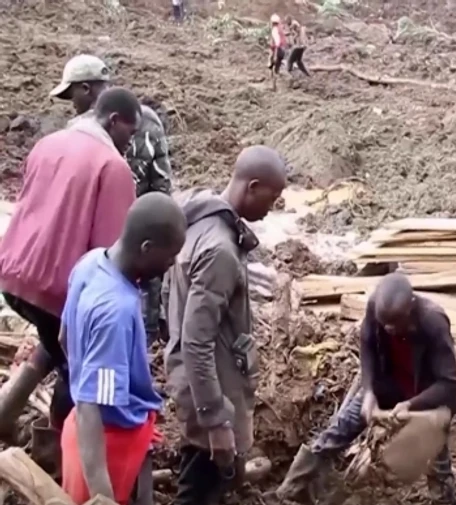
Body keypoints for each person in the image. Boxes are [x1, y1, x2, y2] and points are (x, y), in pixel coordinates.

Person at [0, 87, 141, 460]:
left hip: (14, 274)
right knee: (78, 369)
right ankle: (56, 454)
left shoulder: (50, 142)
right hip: (55, 288)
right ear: (114, 121)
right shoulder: (113, 167)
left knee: (54, 341)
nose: (131, 141)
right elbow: (110, 255)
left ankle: (5, 410)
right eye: (131, 131)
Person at [164, 145, 286, 505]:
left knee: (210, 486)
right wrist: (216, 422)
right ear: (252, 186)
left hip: (204, 387)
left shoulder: (202, 220)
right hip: (212, 392)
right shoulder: (219, 249)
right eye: (273, 196)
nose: (273, 206)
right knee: (200, 491)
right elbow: (196, 341)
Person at [276, 273, 456, 505]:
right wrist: (369, 391)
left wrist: (410, 405)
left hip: (425, 397)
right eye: (385, 324)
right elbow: (367, 348)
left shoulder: (433, 321)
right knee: (338, 430)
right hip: (386, 385)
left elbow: (449, 383)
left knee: (438, 464)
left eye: (396, 323)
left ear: (410, 308)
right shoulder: (376, 308)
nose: (390, 329)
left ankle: (445, 501)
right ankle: (290, 490)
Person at [61, 193, 187, 505]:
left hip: (81, 429)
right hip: (106, 445)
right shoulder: (115, 310)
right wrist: (101, 495)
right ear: (146, 248)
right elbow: (92, 405)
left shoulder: (90, 263)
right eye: (170, 256)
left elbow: (64, 335)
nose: (172, 264)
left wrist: (81, 373)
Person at [51, 54, 174, 343]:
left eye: (73, 96)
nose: (73, 104)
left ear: (87, 89)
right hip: (143, 236)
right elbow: (162, 184)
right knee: (138, 316)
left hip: (102, 244)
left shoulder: (79, 131)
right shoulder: (147, 121)